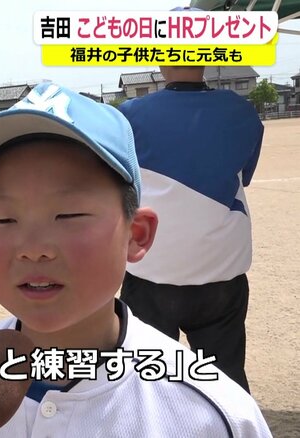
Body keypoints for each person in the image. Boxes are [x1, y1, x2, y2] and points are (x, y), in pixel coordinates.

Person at [0, 83, 270, 437]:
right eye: (4, 220)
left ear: (136, 234)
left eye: (69, 215)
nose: (33, 248)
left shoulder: (215, 416)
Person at [118, 64, 263, 393]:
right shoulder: (241, 110)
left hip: (150, 269)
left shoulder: (130, 115)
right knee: (225, 381)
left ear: (161, 61)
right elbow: (244, 176)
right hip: (222, 270)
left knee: (148, 383)